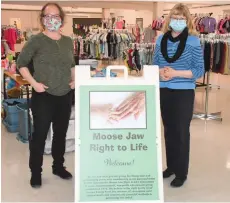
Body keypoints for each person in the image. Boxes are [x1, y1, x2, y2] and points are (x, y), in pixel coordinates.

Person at [17, 3, 75, 188]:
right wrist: (34, 84)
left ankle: (58, 166)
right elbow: (22, 64)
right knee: (40, 134)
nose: (52, 19)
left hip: (64, 95)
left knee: (60, 134)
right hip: (43, 96)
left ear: (61, 18)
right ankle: (36, 172)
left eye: (56, 16)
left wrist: (74, 80)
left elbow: (71, 65)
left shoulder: (68, 41)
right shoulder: (36, 40)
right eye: (48, 15)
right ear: (42, 19)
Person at [153, 3, 204, 187]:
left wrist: (175, 73)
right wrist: (161, 72)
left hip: (184, 91)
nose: (178, 21)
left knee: (181, 132)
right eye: (175, 17)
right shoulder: (160, 40)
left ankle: (181, 172)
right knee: (168, 130)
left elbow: (199, 70)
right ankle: (171, 166)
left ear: (187, 20)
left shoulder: (193, 41)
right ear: (169, 19)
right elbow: (155, 63)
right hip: (164, 89)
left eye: (182, 18)